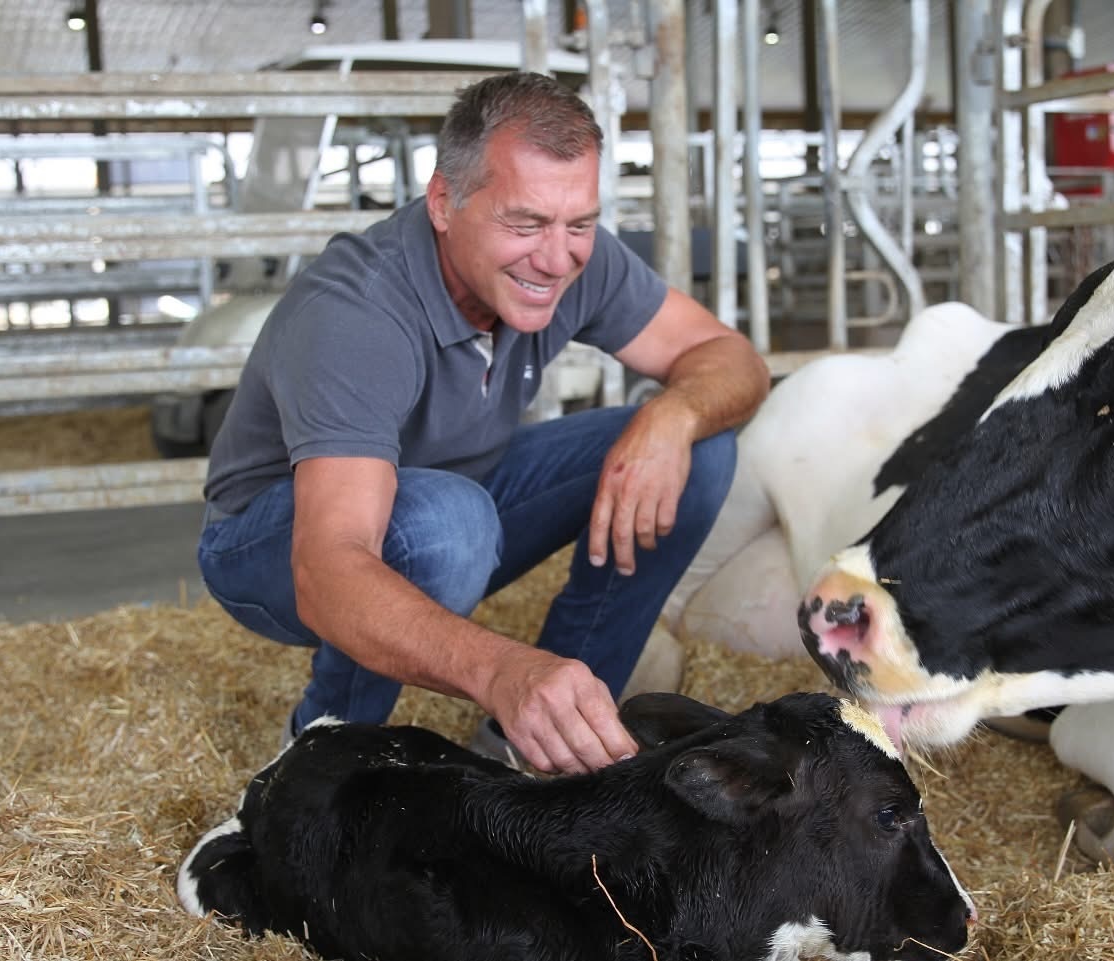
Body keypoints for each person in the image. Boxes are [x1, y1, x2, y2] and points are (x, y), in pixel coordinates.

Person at [197, 71, 770, 775]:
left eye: (580, 223)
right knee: (445, 527)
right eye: (524, 222)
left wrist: (674, 414)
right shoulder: (357, 313)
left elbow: (731, 358)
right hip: (274, 542)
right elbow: (327, 568)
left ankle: (535, 745)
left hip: (455, 489)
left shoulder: (567, 259)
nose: (557, 258)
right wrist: (502, 667)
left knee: (700, 446)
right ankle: (321, 752)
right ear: (444, 201)